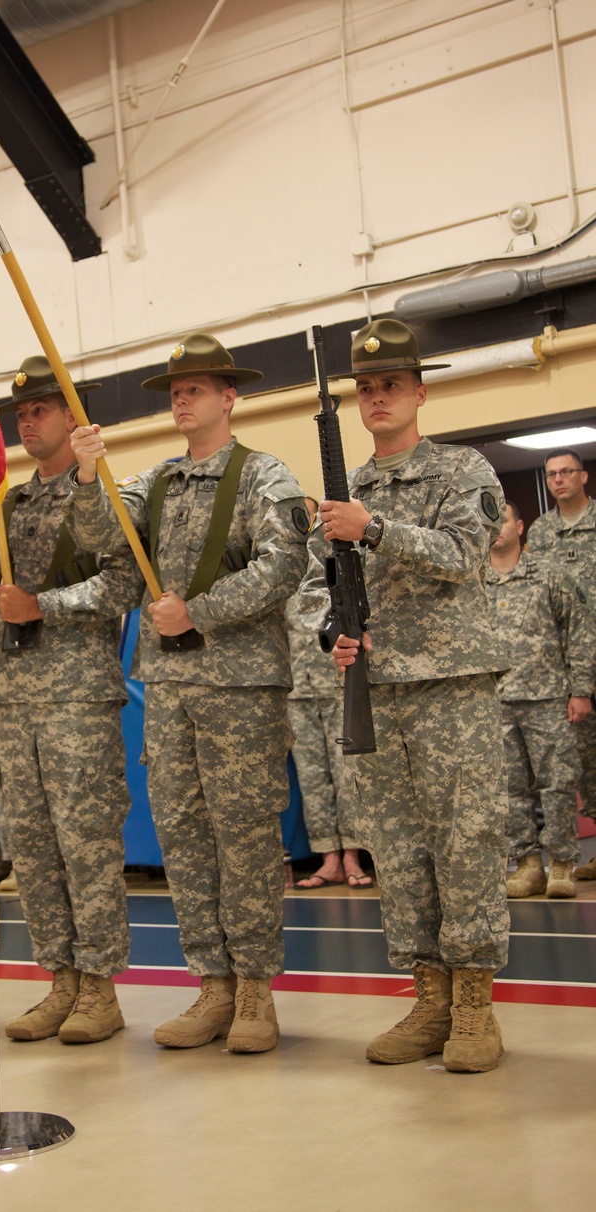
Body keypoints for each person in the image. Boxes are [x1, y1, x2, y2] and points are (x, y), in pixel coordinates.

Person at [69, 333, 309, 1054]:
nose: (182, 399)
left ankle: (258, 992)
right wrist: (87, 476)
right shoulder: (156, 483)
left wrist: (196, 611)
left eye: (196, 389)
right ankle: (213, 986)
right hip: (169, 690)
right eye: (175, 391)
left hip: (239, 688)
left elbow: (286, 562)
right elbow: (99, 533)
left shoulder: (267, 476)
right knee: (183, 837)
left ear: (229, 397)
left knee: (245, 838)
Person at [299, 318, 508, 1074]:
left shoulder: (462, 471)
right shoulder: (345, 490)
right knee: (399, 848)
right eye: (367, 387)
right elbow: (329, 593)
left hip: (453, 689)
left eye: (392, 384)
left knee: (466, 842)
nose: (378, 397)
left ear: (420, 391)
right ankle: (428, 999)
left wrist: (376, 527)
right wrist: (336, 639)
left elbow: (462, 555)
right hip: (378, 691)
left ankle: (476, 1007)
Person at [0, 357, 134, 1047]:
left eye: (42, 410)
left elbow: (123, 585)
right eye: (21, 414)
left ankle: (100, 988)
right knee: (31, 850)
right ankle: (59, 980)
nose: (29, 422)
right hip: (14, 696)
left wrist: (44, 605)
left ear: (72, 417)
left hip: (75, 695)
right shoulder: (8, 505)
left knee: (86, 845)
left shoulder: (105, 494)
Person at [487, 501, 593, 899]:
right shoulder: (475, 582)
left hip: (548, 697)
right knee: (509, 787)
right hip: (495, 701)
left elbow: (579, 635)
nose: (497, 526)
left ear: (521, 525)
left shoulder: (549, 575)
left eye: (504, 519)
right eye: (490, 520)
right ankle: (528, 865)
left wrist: (581, 690)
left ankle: (563, 864)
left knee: (559, 783)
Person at [286, 498, 367, 888]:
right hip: (297, 691)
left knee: (345, 772)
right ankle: (328, 858)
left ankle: (353, 855)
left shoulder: (330, 561)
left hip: (337, 683)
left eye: (309, 514)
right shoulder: (278, 565)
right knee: (313, 777)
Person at [527, 450, 596, 881]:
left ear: (583, 476)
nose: (558, 480)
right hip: (568, 659)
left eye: (566, 472)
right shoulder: (540, 531)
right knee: (584, 760)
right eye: (551, 474)